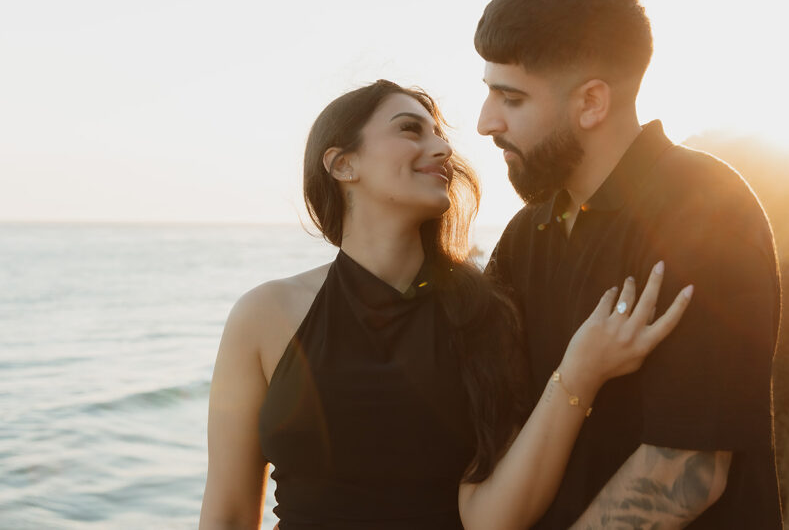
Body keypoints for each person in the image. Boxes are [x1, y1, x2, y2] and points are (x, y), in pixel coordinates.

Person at [198, 80, 695, 529]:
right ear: (343, 164)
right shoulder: (262, 316)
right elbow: (228, 514)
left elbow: (490, 519)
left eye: (439, 136)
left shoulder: (484, 313)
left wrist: (579, 374)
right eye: (410, 129)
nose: (442, 149)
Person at [475, 0, 783, 528]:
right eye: (489, 92)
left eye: (511, 98)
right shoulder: (525, 234)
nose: (485, 122)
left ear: (592, 102)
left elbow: (687, 472)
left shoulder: (703, 208)